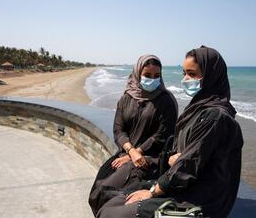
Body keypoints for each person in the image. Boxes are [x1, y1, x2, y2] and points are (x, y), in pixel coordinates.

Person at [96, 46, 244, 218]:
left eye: (193, 74)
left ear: (212, 75)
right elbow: (187, 154)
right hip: (181, 182)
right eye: (184, 73)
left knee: (113, 213)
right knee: (111, 198)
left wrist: (152, 192)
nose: (186, 79)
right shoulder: (197, 109)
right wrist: (175, 158)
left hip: (201, 196)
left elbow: (188, 163)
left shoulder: (216, 117)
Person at [89, 54, 178, 216]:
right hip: (126, 153)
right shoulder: (126, 98)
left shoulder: (166, 101)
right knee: (98, 186)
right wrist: (130, 151)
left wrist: (138, 153)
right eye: (147, 75)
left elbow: (162, 136)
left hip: (149, 159)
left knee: (107, 191)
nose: (152, 79)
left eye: (156, 76)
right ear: (138, 74)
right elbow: (118, 129)